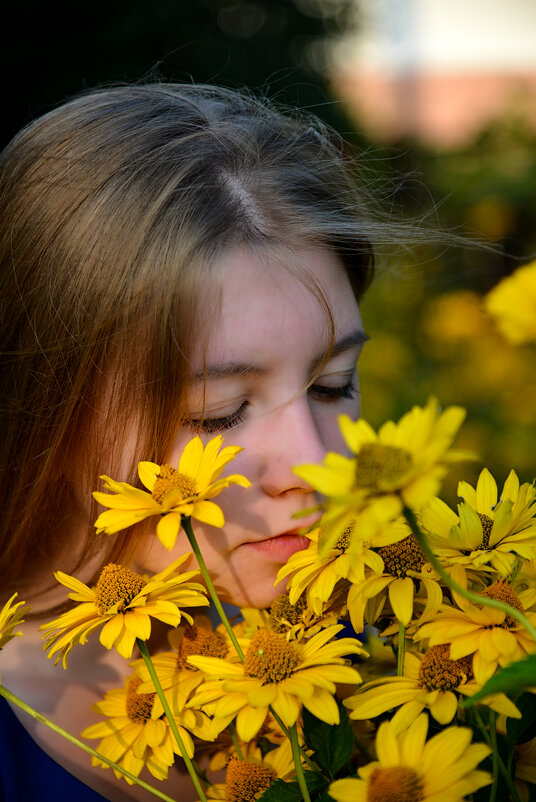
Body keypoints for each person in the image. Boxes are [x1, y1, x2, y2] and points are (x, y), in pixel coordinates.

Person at [0, 82, 378, 800]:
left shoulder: (401, 643)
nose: (318, 465)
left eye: (335, 384)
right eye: (219, 412)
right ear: (44, 407)